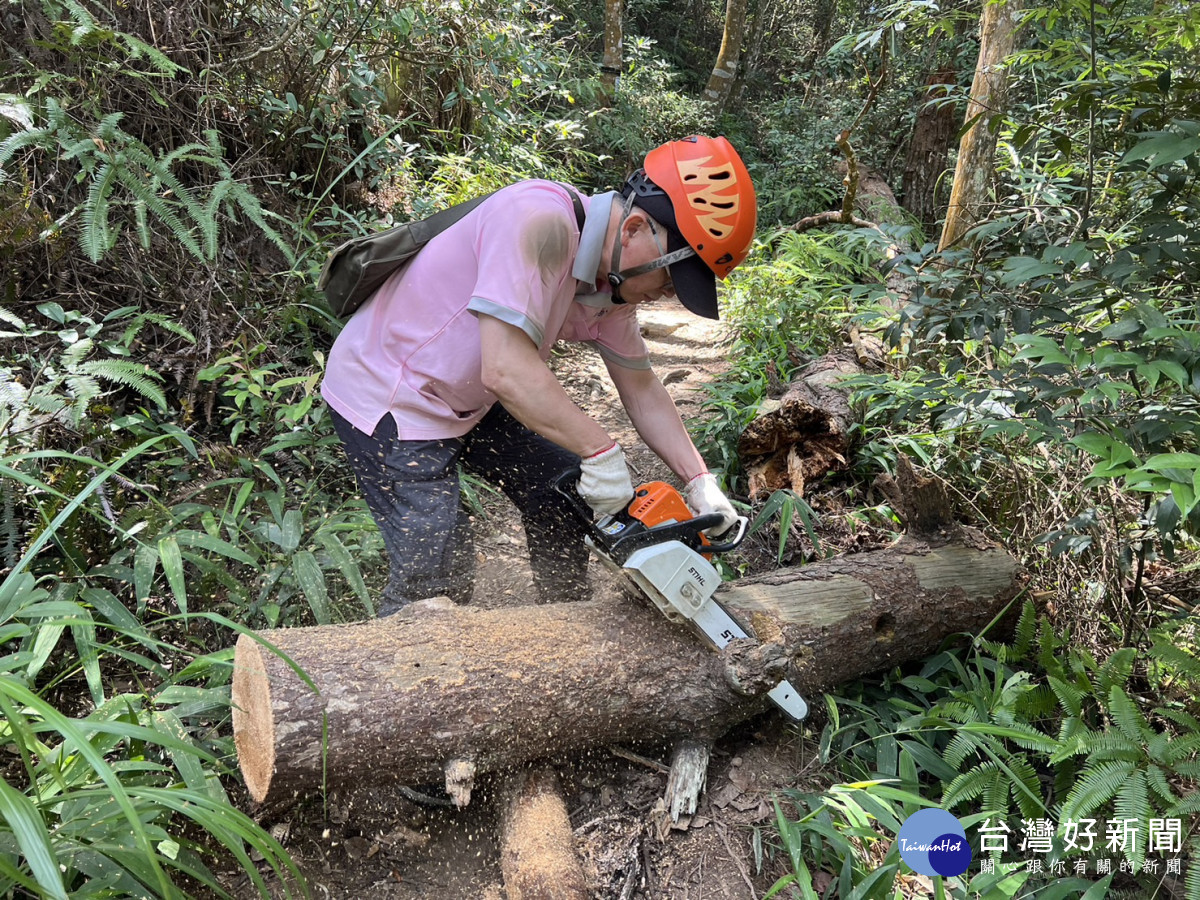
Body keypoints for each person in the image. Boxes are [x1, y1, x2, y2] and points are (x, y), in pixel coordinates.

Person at [320, 135, 757, 615]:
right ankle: (390, 674)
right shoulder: (539, 221)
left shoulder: (610, 287)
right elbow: (507, 368)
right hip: (391, 395)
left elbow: (642, 389)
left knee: (562, 492)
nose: (668, 297)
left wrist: (698, 481)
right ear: (632, 229)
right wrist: (601, 450)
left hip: (470, 397)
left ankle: (562, 619)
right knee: (438, 570)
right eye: (670, 282)